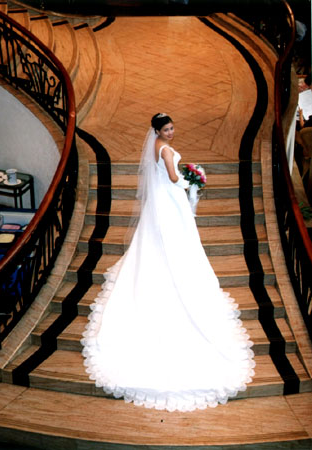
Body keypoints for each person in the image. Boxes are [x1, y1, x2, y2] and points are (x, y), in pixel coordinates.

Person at [81, 113, 255, 412]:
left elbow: (163, 173)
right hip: (169, 200)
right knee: (176, 241)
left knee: (156, 240)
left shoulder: (155, 145)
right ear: (158, 131)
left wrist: (184, 170)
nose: (172, 132)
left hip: (158, 202)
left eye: (173, 127)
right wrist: (191, 177)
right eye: (167, 129)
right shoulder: (163, 148)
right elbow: (174, 178)